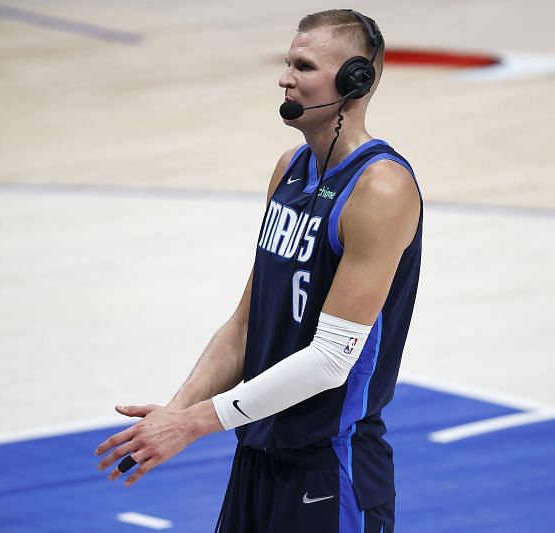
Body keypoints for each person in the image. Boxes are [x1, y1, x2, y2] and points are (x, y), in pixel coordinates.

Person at [94, 9, 422, 532]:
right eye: (288, 61)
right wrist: (176, 412)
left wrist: (197, 423)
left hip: (331, 466)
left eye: (304, 66)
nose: (284, 77)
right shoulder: (289, 168)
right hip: (258, 452)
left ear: (354, 81)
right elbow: (245, 323)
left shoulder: (381, 188)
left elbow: (330, 361)